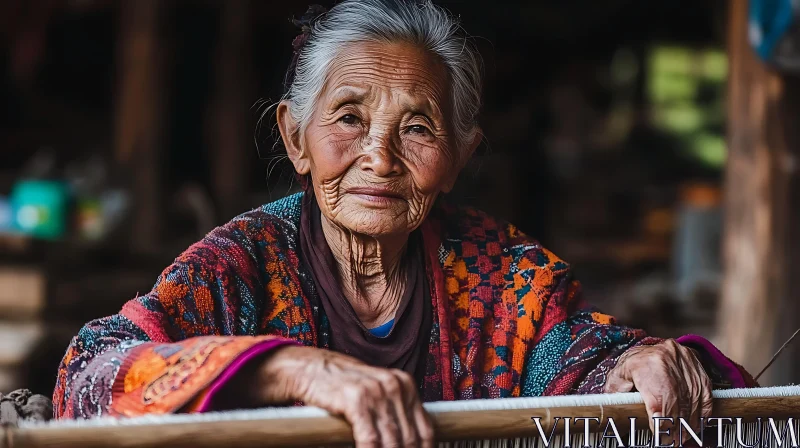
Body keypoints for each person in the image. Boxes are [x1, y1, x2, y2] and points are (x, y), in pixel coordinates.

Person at [54, 0, 755, 446]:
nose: (379, 158)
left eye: (417, 127)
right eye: (349, 118)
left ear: (458, 156)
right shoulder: (237, 266)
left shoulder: (505, 274)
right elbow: (89, 378)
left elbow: (571, 361)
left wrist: (632, 366)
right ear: (296, 138)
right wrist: (290, 370)